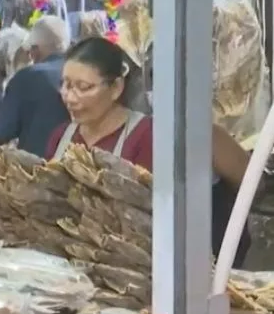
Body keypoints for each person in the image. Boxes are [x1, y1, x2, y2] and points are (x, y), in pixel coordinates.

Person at [45, 37, 251, 267]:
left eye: (84, 88)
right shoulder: (60, 136)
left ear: (116, 88)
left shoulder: (151, 136)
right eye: (65, 85)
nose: (70, 97)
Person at [0, 15, 70, 157]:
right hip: (82, 165)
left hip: (38, 166)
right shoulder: (85, 74)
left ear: (35, 50)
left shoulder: (27, 77)